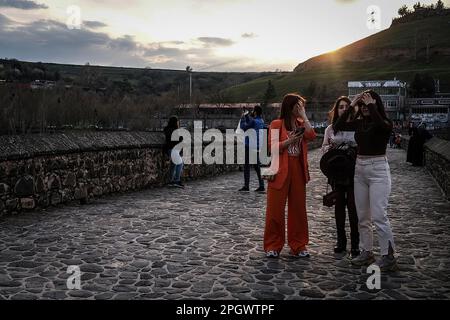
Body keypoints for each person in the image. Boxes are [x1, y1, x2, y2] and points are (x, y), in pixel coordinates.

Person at [334, 90, 398, 271]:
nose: (364, 108)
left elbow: (382, 126)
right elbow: (338, 125)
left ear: (376, 104)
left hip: (378, 170)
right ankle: (366, 251)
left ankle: (388, 255)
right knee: (362, 216)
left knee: (379, 215)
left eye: (368, 104)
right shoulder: (359, 123)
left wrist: (371, 103)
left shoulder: (385, 122)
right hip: (360, 170)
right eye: (362, 106)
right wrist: (352, 104)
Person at [264, 93, 316, 258]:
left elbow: (312, 136)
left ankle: (299, 245)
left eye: (303, 106)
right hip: (279, 170)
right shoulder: (276, 124)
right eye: (299, 105)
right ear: (290, 106)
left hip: (298, 170)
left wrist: (304, 117)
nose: (301, 108)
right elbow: (271, 147)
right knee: (275, 210)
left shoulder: (302, 124)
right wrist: (288, 141)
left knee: (298, 210)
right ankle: (273, 245)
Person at [322, 96, 360, 258]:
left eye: (346, 106)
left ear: (351, 109)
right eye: (341, 107)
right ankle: (341, 241)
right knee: (339, 207)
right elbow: (323, 147)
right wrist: (330, 148)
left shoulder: (357, 126)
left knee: (352, 207)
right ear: (336, 110)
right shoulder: (331, 128)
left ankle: (356, 244)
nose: (344, 109)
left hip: (354, 171)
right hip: (337, 171)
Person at [238, 105, 265, 192]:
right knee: (257, 166)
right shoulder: (260, 121)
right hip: (257, 146)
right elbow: (251, 122)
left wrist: (242, 118)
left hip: (250, 145)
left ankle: (246, 186)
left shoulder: (254, 121)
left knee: (246, 166)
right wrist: (246, 115)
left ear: (256, 112)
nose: (252, 112)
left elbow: (244, 127)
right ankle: (262, 185)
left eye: (253, 110)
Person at [163, 116, 184, 188]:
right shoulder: (173, 130)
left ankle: (171, 180)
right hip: (173, 149)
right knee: (179, 163)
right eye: (178, 121)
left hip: (171, 149)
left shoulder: (168, 129)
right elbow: (177, 139)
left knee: (174, 165)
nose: (178, 123)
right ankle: (176, 180)